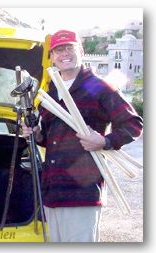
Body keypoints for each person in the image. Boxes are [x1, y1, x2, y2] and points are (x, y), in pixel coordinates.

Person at [21, 29, 143, 242]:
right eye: (58, 49)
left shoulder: (96, 86)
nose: (64, 53)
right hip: (53, 191)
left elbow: (133, 123)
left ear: (81, 51)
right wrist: (36, 133)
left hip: (82, 190)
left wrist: (105, 141)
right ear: (51, 57)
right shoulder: (50, 93)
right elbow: (49, 138)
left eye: (69, 47)